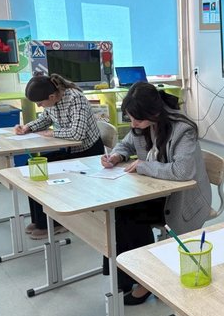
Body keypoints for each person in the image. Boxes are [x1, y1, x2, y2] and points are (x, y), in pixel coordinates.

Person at [101, 82, 212, 304]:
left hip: (182, 200)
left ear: (154, 113)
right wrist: (116, 156)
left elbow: (183, 171)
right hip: (155, 192)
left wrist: (144, 166)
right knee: (117, 211)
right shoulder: (142, 123)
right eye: (130, 119)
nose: (133, 124)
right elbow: (126, 144)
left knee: (130, 216)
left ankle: (145, 277)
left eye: (137, 120)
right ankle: (126, 274)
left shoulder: (182, 129)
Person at [14, 73, 104, 239]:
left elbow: (77, 134)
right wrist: (28, 127)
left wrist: (53, 133)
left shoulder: (76, 99)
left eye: (40, 103)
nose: (39, 106)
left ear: (51, 96)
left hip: (88, 152)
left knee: (43, 170)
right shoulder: (52, 100)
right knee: (34, 168)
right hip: (70, 150)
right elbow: (45, 118)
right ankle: (39, 220)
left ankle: (53, 223)